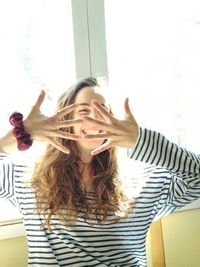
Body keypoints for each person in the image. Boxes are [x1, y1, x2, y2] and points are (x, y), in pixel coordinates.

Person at [0, 77, 200, 267]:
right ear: (65, 117)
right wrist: (20, 135)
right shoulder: (28, 178)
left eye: (103, 111)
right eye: (85, 111)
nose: (95, 120)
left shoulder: (143, 180)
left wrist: (141, 139)